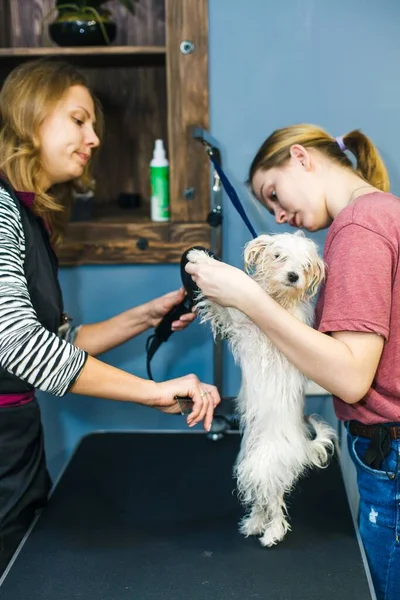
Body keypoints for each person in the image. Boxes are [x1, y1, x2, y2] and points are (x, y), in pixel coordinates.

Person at [0, 58, 220, 576]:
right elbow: (16, 344)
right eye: (79, 120)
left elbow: (58, 340)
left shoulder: (25, 213)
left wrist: (145, 317)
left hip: (18, 440)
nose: (93, 137)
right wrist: (153, 391)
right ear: (31, 116)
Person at [185, 123, 400, 600]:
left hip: (392, 454)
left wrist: (248, 298)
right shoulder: (383, 213)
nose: (281, 215)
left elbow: (350, 376)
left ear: (301, 158)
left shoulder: (359, 228)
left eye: (274, 194)